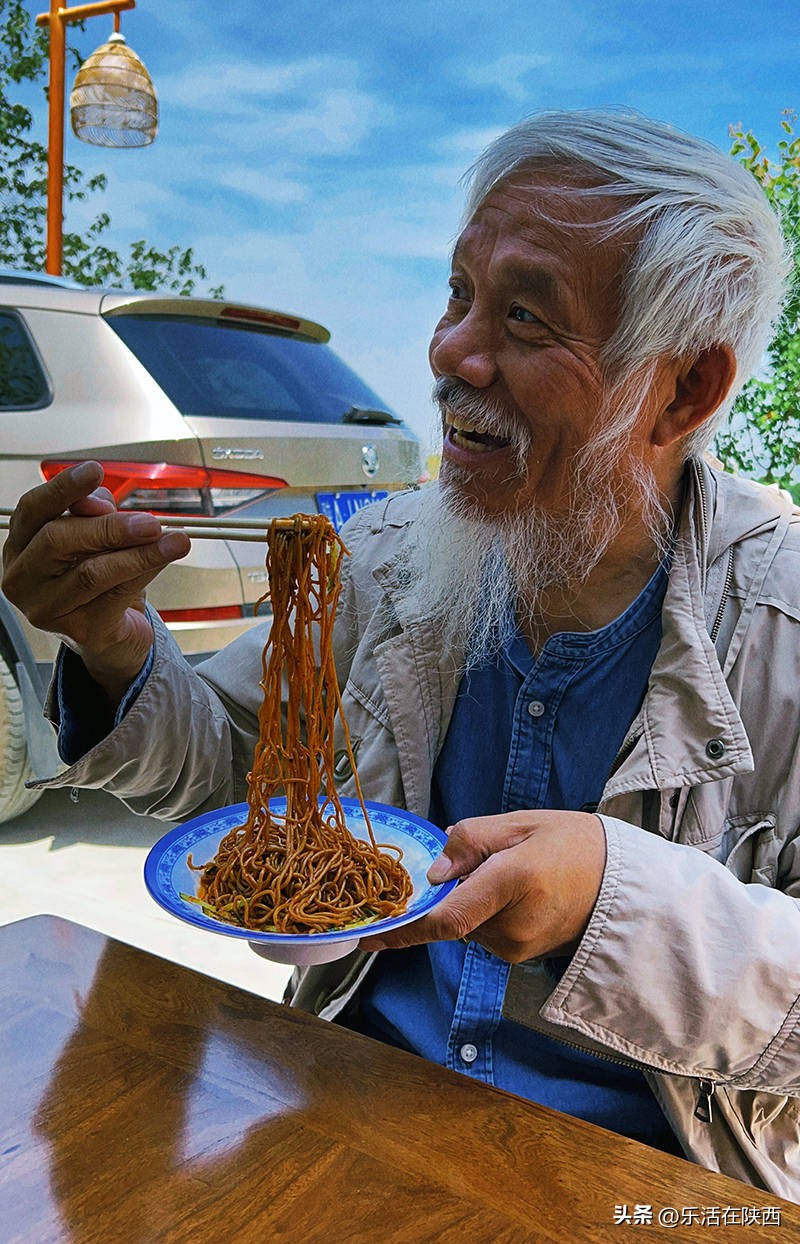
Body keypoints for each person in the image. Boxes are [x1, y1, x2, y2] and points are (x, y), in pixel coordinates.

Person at [3, 108, 800, 1199]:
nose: (450, 352)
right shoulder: (385, 556)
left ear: (684, 389)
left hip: (646, 1184)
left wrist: (619, 898)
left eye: (524, 317)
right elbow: (233, 769)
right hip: (348, 1102)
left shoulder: (778, 624)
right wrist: (112, 644)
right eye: (456, 294)